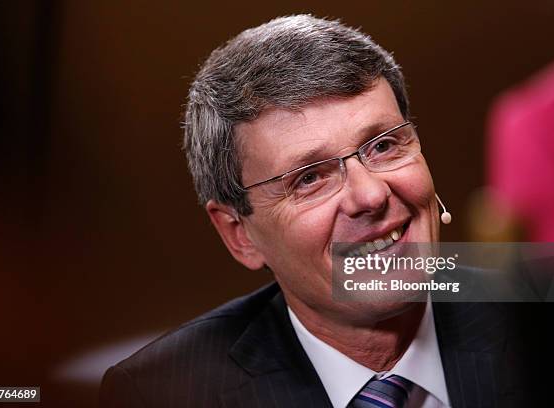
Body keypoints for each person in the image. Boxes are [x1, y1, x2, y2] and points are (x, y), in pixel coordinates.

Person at [100, 15, 529, 407]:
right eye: (309, 178)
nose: (370, 196)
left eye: (383, 146)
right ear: (239, 235)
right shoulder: (159, 394)